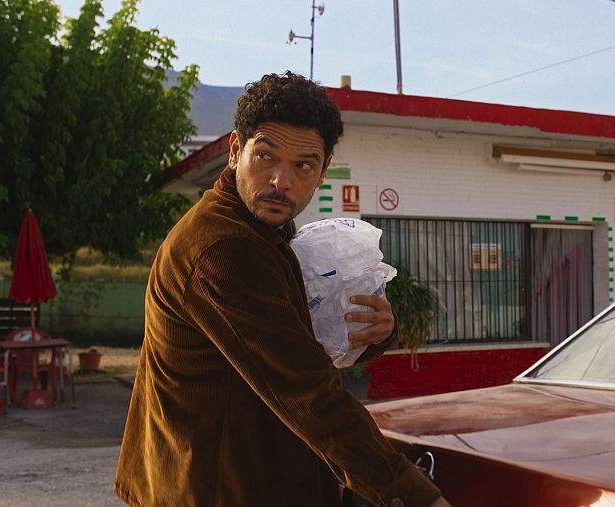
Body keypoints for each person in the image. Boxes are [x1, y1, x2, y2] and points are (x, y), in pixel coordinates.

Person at [115, 72, 449, 507]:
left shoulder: (265, 231)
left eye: (302, 166)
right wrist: (412, 494)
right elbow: (306, 392)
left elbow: (304, 343)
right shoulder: (226, 247)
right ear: (236, 151)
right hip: (217, 485)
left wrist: (376, 333)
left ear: (323, 169)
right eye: (266, 157)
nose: (281, 181)